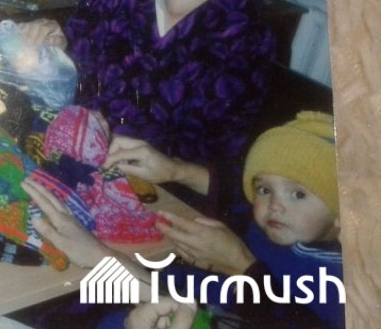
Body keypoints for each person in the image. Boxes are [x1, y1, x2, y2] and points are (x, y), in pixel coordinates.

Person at [21, 0, 277, 231]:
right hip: (72, 164)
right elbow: (71, 68)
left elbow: (245, 172)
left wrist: (175, 170)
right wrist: (54, 46)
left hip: (163, 199)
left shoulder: (245, 34)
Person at [22, 111, 343, 329]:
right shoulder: (279, 228)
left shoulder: (340, 290)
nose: (274, 206)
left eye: (298, 194)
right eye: (264, 190)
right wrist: (177, 171)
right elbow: (242, 196)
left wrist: (103, 259)